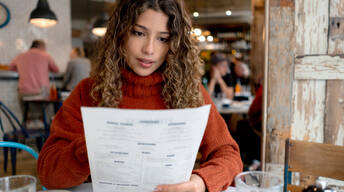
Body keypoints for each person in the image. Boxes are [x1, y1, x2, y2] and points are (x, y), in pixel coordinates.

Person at [37, 0, 243, 191]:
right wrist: (91, 145)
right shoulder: (88, 91)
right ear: (120, 33)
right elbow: (48, 173)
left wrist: (199, 182)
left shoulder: (190, 92)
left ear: (175, 44)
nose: (149, 49)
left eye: (163, 38)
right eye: (138, 33)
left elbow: (229, 155)